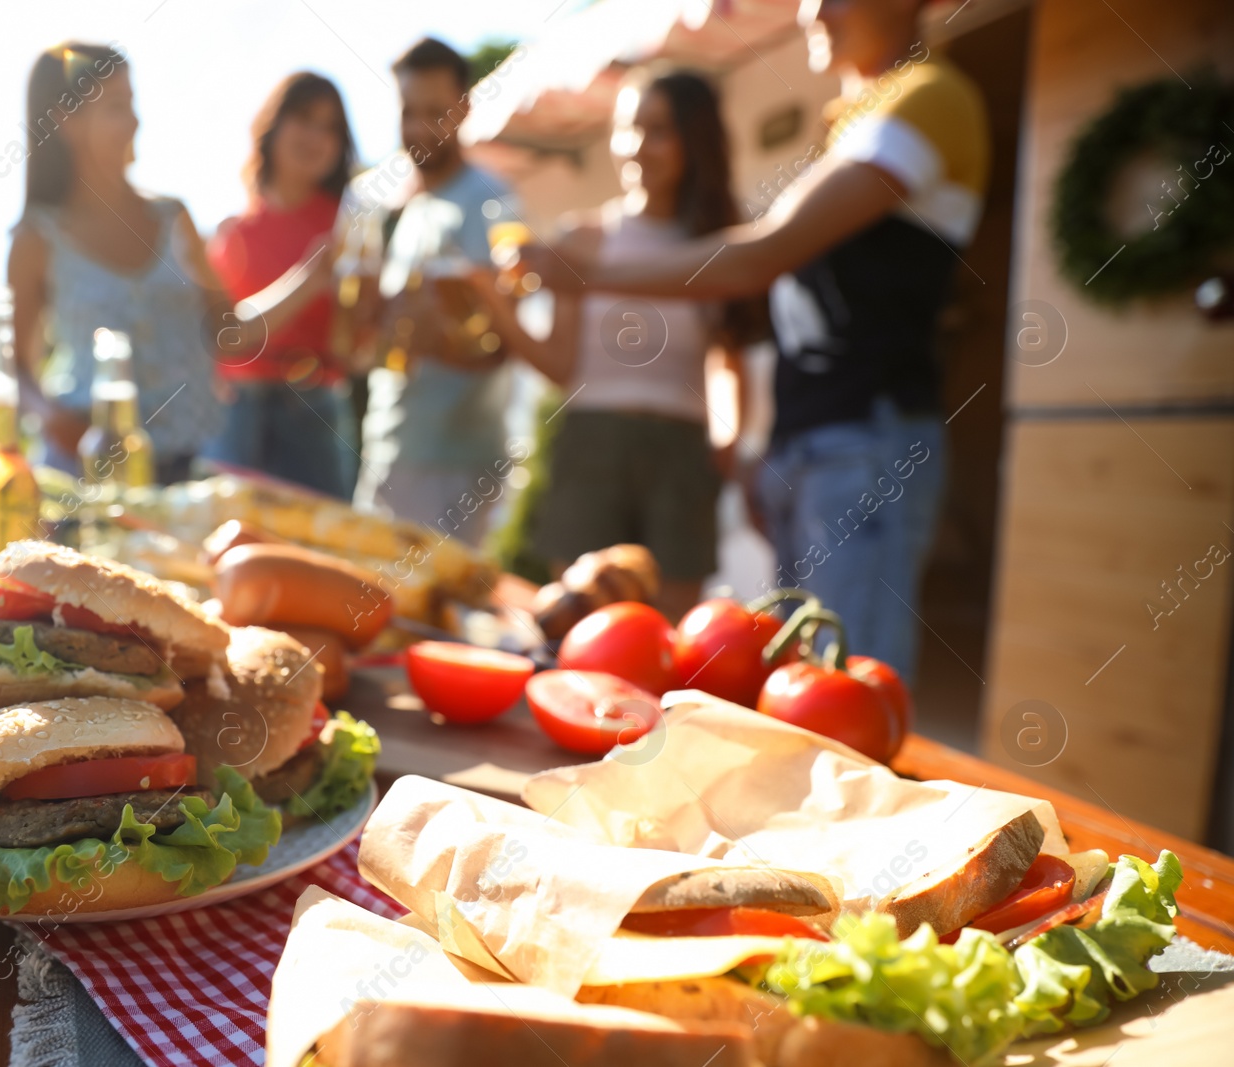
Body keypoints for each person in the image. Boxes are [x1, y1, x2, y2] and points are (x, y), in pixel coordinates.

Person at [522, 0, 988, 684]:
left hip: (866, 441)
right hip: (817, 442)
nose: (813, 12)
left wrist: (585, 274)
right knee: (798, 687)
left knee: (840, 692)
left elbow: (757, 257)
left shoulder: (928, 99)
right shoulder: (855, 121)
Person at [480, 70, 759, 621]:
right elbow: (560, 365)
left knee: (677, 624)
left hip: (683, 448)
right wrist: (496, 307)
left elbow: (729, 356)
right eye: (629, 127)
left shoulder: (718, 240)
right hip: (592, 442)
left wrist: (729, 440)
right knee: (582, 621)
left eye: (659, 130)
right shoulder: (582, 239)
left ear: (694, 140)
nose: (636, 146)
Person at [9, 43, 331, 485]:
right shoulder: (36, 237)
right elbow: (14, 364)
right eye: (117, 107)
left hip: (188, 471)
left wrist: (311, 278)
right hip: (87, 474)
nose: (136, 121)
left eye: (133, 104)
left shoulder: (173, 218)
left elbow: (228, 332)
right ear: (67, 121)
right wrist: (50, 416)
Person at [346, 37, 523, 545]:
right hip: (394, 448)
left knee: (421, 619)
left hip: (451, 464)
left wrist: (422, 332)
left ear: (464, 109)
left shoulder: (490, 200)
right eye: (408, 111)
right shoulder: (412, 209)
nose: (418, 129)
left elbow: (502, 341)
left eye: (434, 112)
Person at [203, 72, 358, 498]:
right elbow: (225, 337)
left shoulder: (350, 226)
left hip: (316, 409)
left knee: (320, 545)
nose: (316, 136)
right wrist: (307, 282)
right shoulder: (233, 233)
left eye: (330, 128)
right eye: (305, 118)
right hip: (238, 408)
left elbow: (356, 344)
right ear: (274, 125)